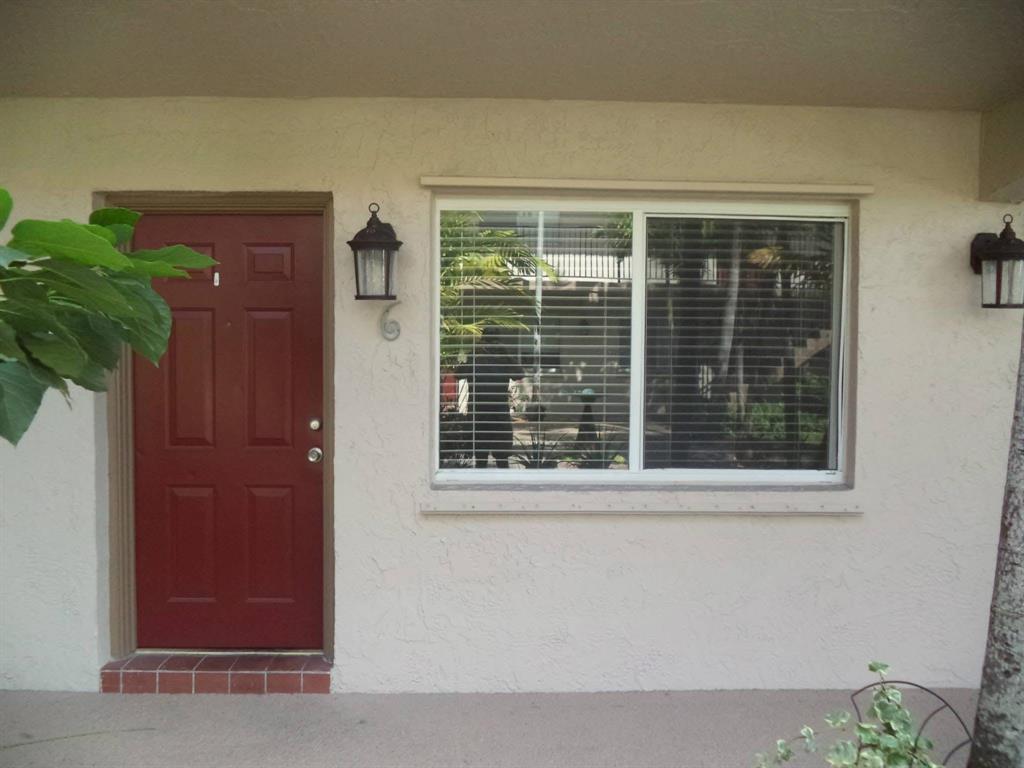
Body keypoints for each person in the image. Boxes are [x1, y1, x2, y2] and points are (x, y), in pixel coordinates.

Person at [466, 327, 524, 468]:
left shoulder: (477, 355)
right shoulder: (483, 355)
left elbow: (519, 374)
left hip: (484, 409)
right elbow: (519, 373)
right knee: (497, 458)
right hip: (492, 409)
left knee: (487, 457)